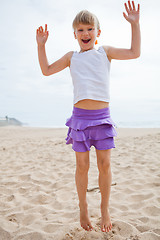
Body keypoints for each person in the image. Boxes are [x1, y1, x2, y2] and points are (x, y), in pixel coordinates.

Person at [36, 1, 140, 233]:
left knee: (104, 164)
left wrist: (135, 24)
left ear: (98, 32)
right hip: (80, 120)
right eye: (81, 30)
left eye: (90, 28)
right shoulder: (71, 57)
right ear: (75, 34)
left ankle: (104, 209)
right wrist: (41, 45)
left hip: (102, 118)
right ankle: (83, 206)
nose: (85, 33)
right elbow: (46, 70)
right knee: (82, 166)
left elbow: (135, 52)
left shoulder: (105, 52)